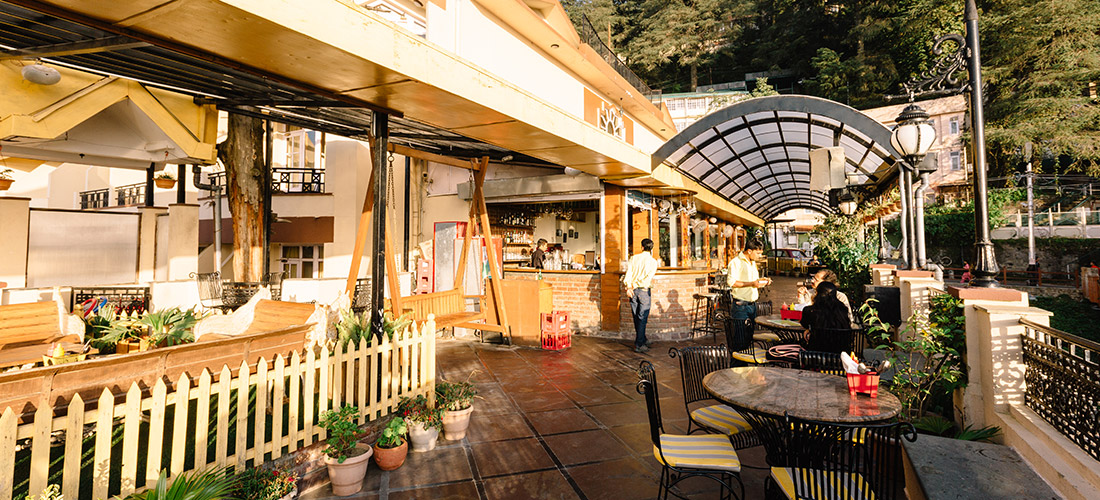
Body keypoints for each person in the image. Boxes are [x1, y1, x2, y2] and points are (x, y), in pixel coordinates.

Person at [726, 239, 770, 347]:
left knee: (749, 339)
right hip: (741, 305)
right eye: (758, 253)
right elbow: (732, 283)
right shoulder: (736, 262)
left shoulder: (752, 262)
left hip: (752, 305)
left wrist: (762, 280)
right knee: (740, 340)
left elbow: (753, 281)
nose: (760, 256)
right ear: (749, 251)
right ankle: (737, 364)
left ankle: (747, 362)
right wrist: (752, 283)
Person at [624, 238, 660, 353]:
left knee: (636, 316)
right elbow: (647, 279)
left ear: (642, 247)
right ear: (651, 249)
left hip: (632, 291)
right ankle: (639, 344)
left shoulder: (634, 258)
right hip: (643, 291)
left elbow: (628, 273)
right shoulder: (653, 262)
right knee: (642, 318)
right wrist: (634, 285)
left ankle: (642, 339)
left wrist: (629, 287)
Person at [800, 281, 856, 353]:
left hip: (816, 351)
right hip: (841, 352)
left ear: (818, 294)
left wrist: (809, 330)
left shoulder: (810, 310)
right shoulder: (843, 309)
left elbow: (804, 324)